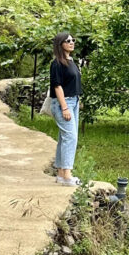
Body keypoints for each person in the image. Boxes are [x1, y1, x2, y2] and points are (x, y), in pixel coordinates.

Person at [49, 31, 82, 186]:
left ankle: (62, 173)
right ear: (60, 44)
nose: (71, 42)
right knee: (71, 137)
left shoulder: (71, 61)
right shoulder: (57, 63)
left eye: (72, 40)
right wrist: (64, 108)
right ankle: (67, 175)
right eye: (68, 41)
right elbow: (57, 86)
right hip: (64, 104)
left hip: (73, 102)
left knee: (65, 137)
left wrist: (77, 100)